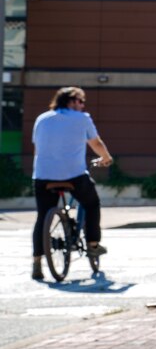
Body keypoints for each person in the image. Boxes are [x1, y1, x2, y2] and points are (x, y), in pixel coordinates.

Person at [31, 87, 113, 280]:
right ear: (71, 101)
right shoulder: (82, 118)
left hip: (43, 176)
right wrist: (106, 158)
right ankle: (93, 244)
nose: (83, 105)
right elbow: (96, 143)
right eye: (80, 101)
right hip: (73, 175)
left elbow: (38, 147)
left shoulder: (42, 119)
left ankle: (36, 262)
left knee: (43, 216)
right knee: (92, 204)